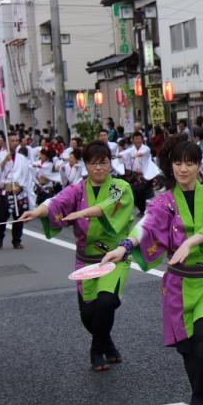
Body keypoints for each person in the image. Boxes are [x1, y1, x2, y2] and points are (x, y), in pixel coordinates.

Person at [102, 135, 203, 405]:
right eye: (178, 162)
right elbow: (146, 225)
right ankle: (198, 389)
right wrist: (124, 247)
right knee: (187, 346)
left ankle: (198, 396)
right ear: (170, 165)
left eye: (190, 162)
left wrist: (189, 243)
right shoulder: (163, 202)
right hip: (178, 284)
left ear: (200, 165)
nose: (184, 168)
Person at [19, 141, 134, 372]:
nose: (99, 168)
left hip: (113, 257)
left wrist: (79, 213)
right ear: (86, 165)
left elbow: (106, 206)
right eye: (93, 163)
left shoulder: (120, 187)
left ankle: (96, 350)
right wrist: (36, 212)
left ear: (111, 163)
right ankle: (107, 343)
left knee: (106, 302)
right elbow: (56, 202)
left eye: (103, 163)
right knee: (88, 315)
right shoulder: (78, 189)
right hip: (86, 259)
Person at [0, 134, 31, 249]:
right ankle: (0, 236)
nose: (15, 142)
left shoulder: (22, 158)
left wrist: (20, 187)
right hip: (5, 189)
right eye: (12, 140)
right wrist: (5, 161)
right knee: (1, 216)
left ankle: (16, 240)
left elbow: (26, 175)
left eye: (17, 140)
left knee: (19, 216)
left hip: (18, 190)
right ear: (6, 142)